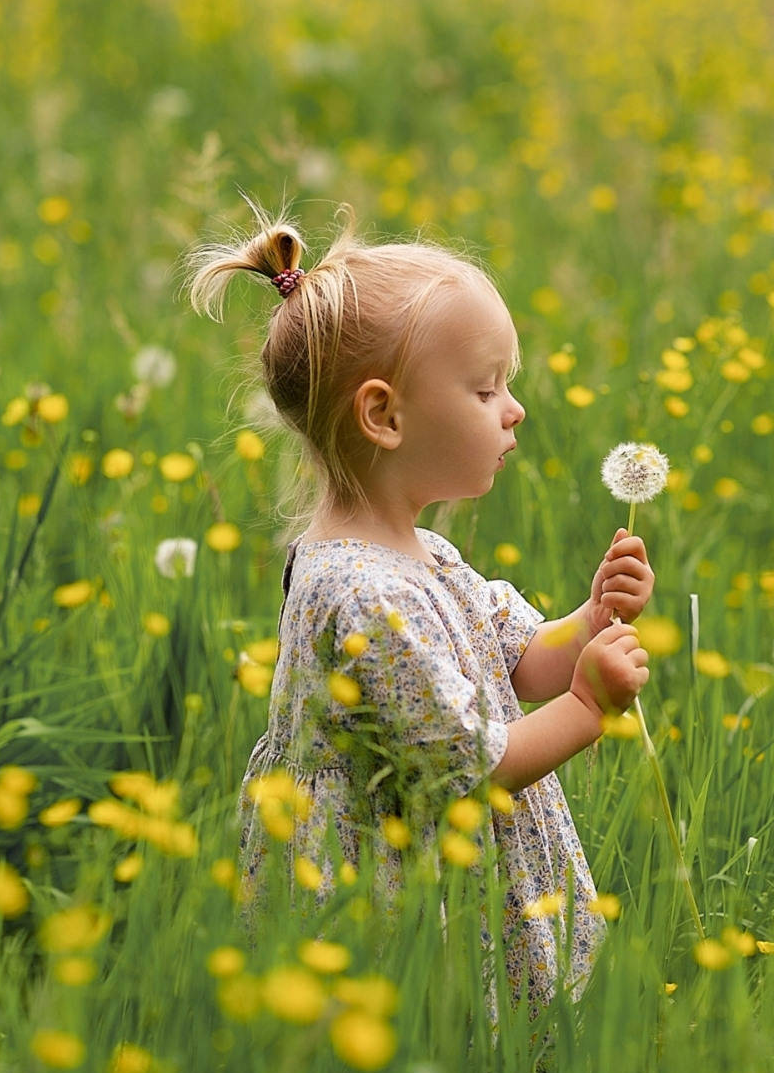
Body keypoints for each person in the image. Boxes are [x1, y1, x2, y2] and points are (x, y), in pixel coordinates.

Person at [186, 202, 653, 1007]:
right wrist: (588, 704)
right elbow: (471, 770)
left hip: (444, 872)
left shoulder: (422, 556)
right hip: (394, 898)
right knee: (436, 1062)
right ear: (384, 415)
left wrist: (589, 621)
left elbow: (518, 662)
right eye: (485, 389)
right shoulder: (364, 593)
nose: (515, 410)